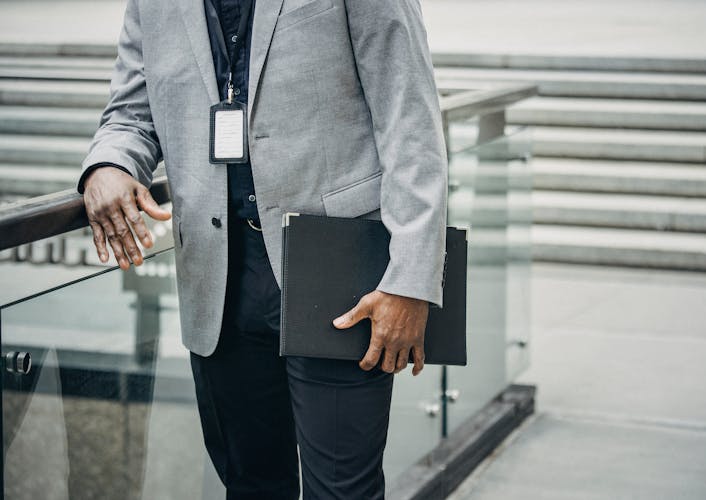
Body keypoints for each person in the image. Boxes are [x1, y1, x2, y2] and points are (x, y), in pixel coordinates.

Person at [77, 0, 447, 498]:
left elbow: (410, 118)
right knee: (251, 486)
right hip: (218, 276)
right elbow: (129, 115)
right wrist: (107, 166)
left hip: (337, 274)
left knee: (343, 491)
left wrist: (409, 279)